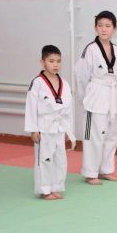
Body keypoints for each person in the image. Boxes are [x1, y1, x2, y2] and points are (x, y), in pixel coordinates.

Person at [75, 11, 117, 185]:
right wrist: (85, 98)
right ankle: (90, 172)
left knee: (111, 134)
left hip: (111, 93)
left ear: (114, 29)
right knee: (94, 135)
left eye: (108, 26)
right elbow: (81, 75)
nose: (103, 29)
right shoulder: (91, 49)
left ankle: (106, 169)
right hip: (95, 94)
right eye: (100, 25)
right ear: (95, 28)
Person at [25, 45, 75, 200]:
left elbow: (69, 109)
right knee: (44, 159)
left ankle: (56, 186)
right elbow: (31, 107)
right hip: (44, 126)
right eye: (51, 61)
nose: (55, 64)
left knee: (60, 159)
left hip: (59, 126)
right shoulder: (37, 83)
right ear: (43, 62)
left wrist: (68, 130)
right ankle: (44, 189)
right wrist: (33, 129)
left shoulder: (64, 84)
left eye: (58, 61)